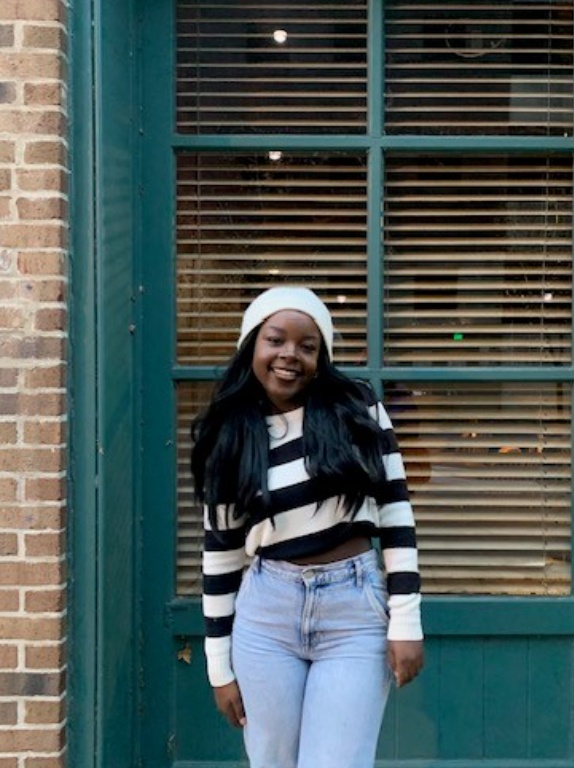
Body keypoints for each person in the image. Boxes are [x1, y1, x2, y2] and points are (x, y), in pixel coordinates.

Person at [190, 286, 424, 768]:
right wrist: (219, 667)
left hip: (353, 613)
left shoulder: (358, 407)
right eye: (276, 340)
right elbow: (220, 556)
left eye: (307, 346)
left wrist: (406, 619)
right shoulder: (232, 433)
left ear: (323, 357)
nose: (289, 355)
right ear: (252, 344)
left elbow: (397, 515)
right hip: (265, 618)